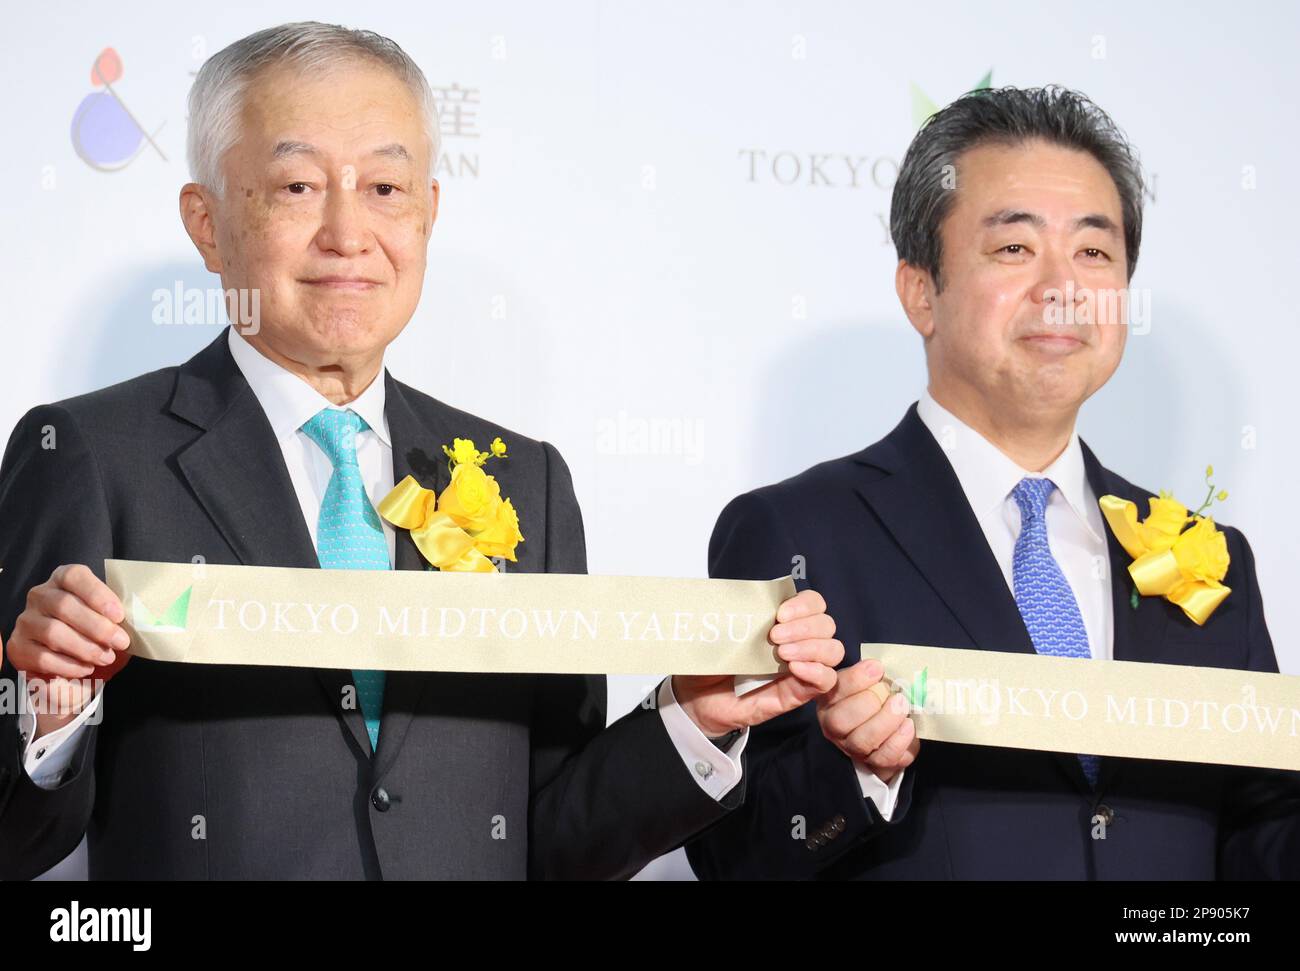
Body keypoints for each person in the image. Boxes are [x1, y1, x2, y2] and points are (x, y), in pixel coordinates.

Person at [0, 22, 845, 880]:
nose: (347, 231)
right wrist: (52, 709)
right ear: (207, 223)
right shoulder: (90, 453)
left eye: (385, 187)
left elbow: (549, 841)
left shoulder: (526, 480)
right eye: (296, 185)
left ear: (429, 213)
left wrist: (691, 722)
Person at [688, 85, 1300, 880]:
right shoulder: (798, 533)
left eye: (1094, 251)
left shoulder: (1211, 556)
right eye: (1015, 248)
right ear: (921, 292)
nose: (1062, 286)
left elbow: (1260, 832)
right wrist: (857, 771)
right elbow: (733, 856)